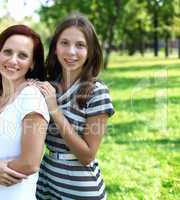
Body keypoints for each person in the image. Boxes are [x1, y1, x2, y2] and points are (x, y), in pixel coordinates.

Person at [31, 13, 115, 200]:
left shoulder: (97, 92)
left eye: (80, 45)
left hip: (80, 188)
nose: (71, 52)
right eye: (64, 43)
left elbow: (87, 155)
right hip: (46, 181)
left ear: (90, 51)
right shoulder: (49, 86)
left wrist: (55, 110)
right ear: (55, 48)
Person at [0, 24, 50, 200]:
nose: (13, 60)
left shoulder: (31, 98)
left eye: (22, 55)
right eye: (7, 52)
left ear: (32, 63)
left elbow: (30, 163)